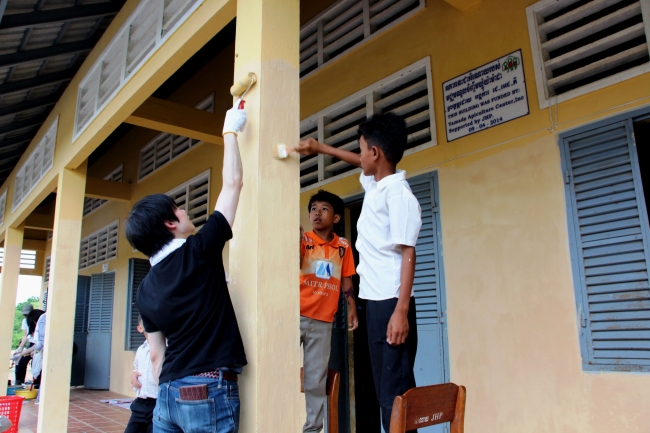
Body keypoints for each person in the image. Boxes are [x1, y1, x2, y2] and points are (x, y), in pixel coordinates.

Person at [125, 100, 248, 433]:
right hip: (205, 390)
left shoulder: (144, 289)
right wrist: (230, 131)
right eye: (178, 209)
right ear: (169, 223)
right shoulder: (199, 250)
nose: (185, 212)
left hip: (165, 395)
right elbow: (234, 184)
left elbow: (155, 354)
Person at [297, 113, 422, 432]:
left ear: (376, 154)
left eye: (363, 149)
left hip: (391, 304)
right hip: (374, 302)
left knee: (395, 393)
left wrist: (401, 311)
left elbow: (409, 252)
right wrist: (321, 148)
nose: (359, 155)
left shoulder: (398, 194)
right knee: (385, 392)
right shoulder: (377, 185)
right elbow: (359, 161)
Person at [300, 190, 358, 433]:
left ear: (335, 218)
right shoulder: (303, 241)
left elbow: (346, 280)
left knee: (315, 380)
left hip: (322, 321)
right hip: (295, 314)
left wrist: (352, 307)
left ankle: (312, 430)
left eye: (324, 208)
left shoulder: (342, 246)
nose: (317, 213)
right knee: (276, 368)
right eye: (313, 208)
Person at [125, 315, 157, 433]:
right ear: (139, 328)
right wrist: (133, 375)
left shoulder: (168, 347)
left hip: (157, 403)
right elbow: (137, 368)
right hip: (140, 403)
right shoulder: (141, 349)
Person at [11, 304, 33, 385]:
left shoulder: (36, 320)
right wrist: (20, 347)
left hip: (38, 343)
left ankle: (37, 383)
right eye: (25, 314)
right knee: (21, 361)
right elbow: (26, 335)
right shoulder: (24, 321)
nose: (26, 316)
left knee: (35, 363)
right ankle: (19, 381)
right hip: (31, 343)